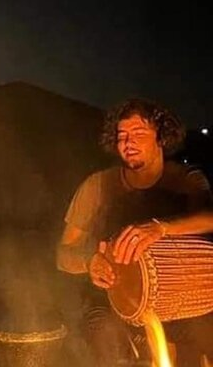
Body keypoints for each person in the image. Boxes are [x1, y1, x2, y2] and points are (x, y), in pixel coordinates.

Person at [57, 98, 213, 366]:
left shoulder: (186, 180)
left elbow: (209, 218)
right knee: (104, 337)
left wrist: (160, 228)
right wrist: (88, 261)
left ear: (161, 138)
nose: (128, 143)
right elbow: (62, 254)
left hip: (179, 303)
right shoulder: (97, 186)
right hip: (112, 304)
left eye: (139, 133)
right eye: (122, 136)